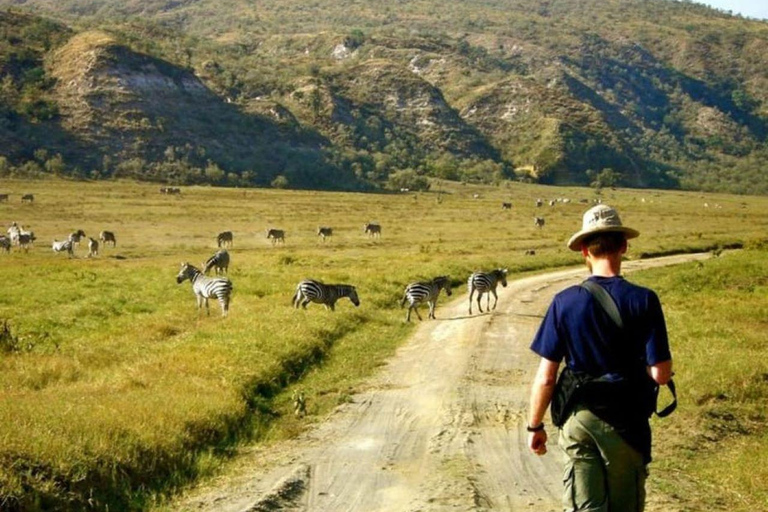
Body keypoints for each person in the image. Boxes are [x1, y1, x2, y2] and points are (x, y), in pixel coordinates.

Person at [526, 204, 673, 512]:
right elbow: (660, 374)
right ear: (624, 246)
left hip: (581, 419)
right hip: (627, 424)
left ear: (584, 251)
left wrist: (535, 426)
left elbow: (547, 377)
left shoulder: (564, 302)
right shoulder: (644, 299)